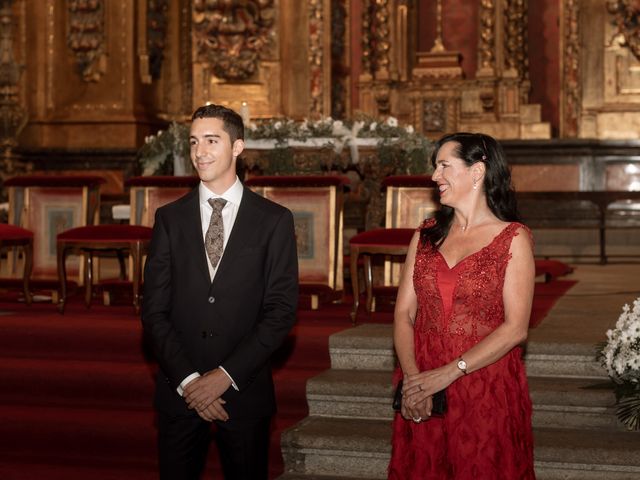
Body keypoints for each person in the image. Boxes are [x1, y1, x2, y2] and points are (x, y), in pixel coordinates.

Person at [141, 103, 299, 480]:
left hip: (244, 392)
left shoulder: (274, 220)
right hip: (180, 393)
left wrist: (224, 376)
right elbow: (153, 311)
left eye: (212, 140)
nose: (200, 152)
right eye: (194, 142)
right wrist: (191, 381)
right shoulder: (169, 219)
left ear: (238, 147)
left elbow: (280, 311)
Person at [388, 132, 536, 479]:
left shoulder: (513, 238)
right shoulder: (425, 235)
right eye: (435, 167)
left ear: (476, 172)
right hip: (422, 374)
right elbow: (403, 313)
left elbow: (516, 328)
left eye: (444, 166)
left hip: (484, 380)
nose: (434, 176)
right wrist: (414, 381)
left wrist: (449, 373)